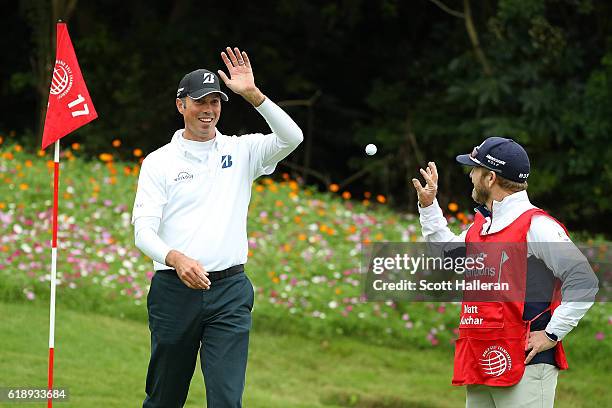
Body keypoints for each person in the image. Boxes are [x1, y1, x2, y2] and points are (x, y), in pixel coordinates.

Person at [132, 46, 303, 408]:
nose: (208, 110)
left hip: (230, 292)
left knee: (227, 400)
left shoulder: (243, 151)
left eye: (215, 102)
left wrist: (253, 95)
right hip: (173, 291)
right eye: (199, 102)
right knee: (165, 397)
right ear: (181, 105)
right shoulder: (158, 162)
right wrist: (176, 258)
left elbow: (292, 137)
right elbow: (143, 232)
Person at [411, 137, 598, 408]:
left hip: (525, 365)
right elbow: (447, 255)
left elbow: (584, 281)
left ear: (490, 178)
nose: (471, 175)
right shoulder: (482, 227)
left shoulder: (538, 225)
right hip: (481, 361)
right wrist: (428, 206)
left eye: (475, 170)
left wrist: (552, 333)